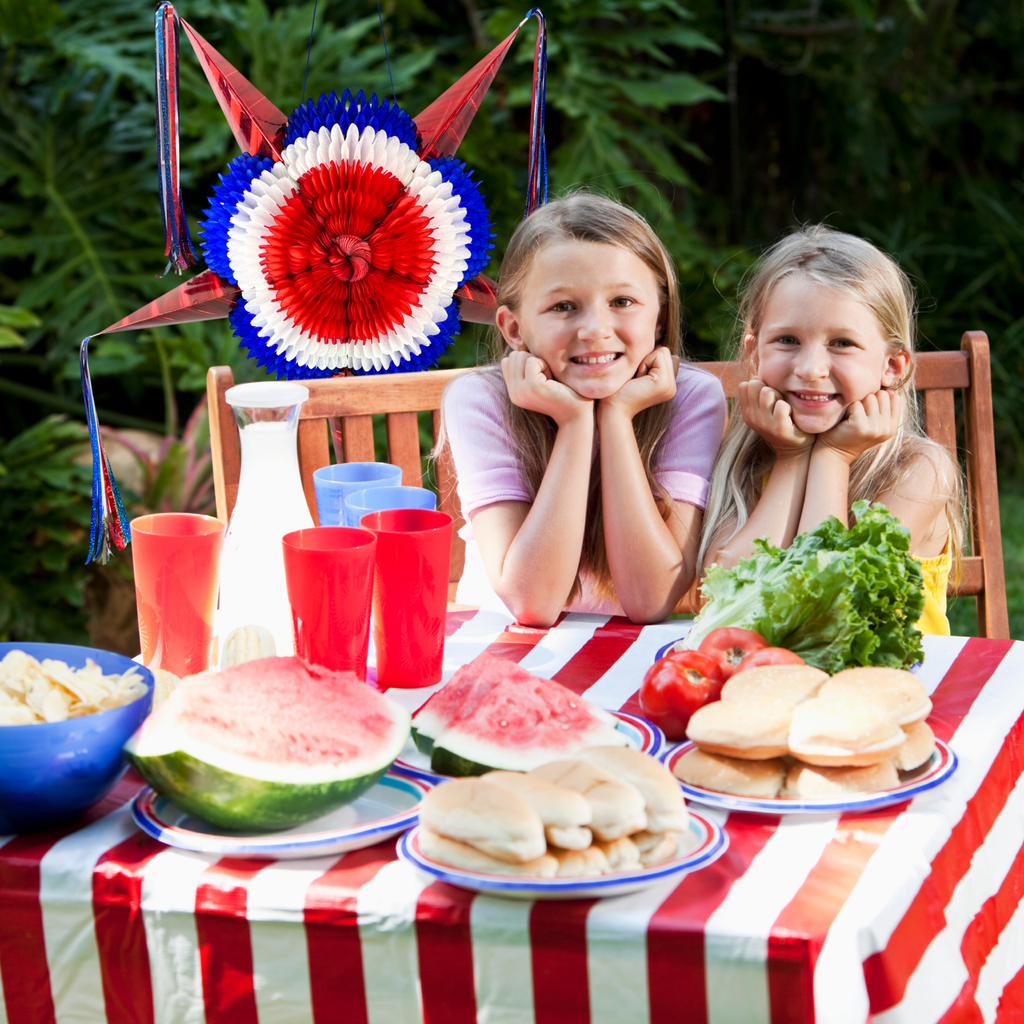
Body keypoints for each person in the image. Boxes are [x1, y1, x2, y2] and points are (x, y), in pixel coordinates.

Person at [440, 193, 727, 626]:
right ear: (514, 328)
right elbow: (532, 603)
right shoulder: (480, 400)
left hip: (638, 659)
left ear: (660, 318)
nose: (595, 330)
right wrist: (575, 423)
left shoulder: (691, 397)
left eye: (622, 302)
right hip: (503, 648)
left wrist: (615, 417)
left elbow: (651, 599)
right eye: (563, 307)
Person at [699, 224, 964, 635]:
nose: (809, 369)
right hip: (767, 684)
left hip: (886, 691)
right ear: (754, 355)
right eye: (787, 339)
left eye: (841, 343)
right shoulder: (744, 458)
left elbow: (828, 611)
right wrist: (790, 458)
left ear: (891, 367)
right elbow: (722, 598)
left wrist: (832, 456)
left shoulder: (919, 469)